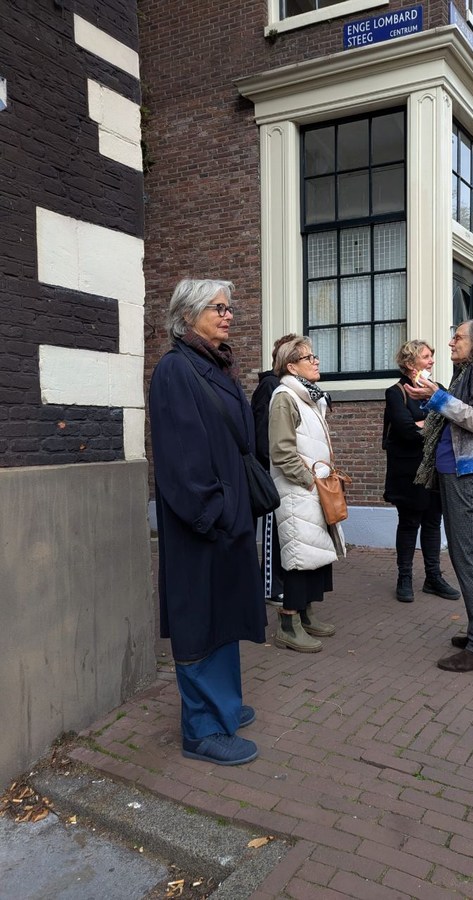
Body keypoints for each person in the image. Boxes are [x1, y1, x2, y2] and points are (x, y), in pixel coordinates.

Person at [149, 278, 267, 765]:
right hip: (204, 522)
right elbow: (181, 458)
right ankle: (201, 730)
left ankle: (224, 705)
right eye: (217, 308)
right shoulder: (176, 370)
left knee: (225, 613)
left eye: (228, 307)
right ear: (187, 315)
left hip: (228, 516)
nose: (228, 315)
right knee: (199, 617)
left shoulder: (215, 364)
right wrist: (214, 512)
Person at [405, 319, 473, 673]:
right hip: (460, 470)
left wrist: (436, 397)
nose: (451, 342)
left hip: (469, 471)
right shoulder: (471, 368)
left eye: (458, 337)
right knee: (465, 554)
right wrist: (433, 396)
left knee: (467, 557)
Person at [268, 335, 346, 653]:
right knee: (299, 557)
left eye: (314, 356)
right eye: (308, 358)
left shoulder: (307, 396)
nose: (316, 361)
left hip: (313, 489)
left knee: (316, 553)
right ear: (291, 366)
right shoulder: (284, 397)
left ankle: (305, 613)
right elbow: (281, 450)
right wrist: (309, 481)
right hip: (299, 490)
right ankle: (288, 624)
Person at [382, 340, 461, 604]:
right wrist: (431, 423)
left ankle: (433, 577)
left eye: (431, 356)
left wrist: (422, 422)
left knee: (432, 523)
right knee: (408, 523)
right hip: (409, 472)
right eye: (426, 356)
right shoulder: (396, 392)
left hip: (436, 469)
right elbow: (406, 430)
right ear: (410, 362)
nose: (432, 361)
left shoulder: (438, 390)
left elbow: (450, 422)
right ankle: (404, 577)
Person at [251, 334, 295, 608]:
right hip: (271, 473)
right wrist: (272, 467)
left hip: (283, 470)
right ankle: (270, 586)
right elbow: (263, 433)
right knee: (273, 530)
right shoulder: (270, 386)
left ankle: (281, 582)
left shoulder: (287, 387)